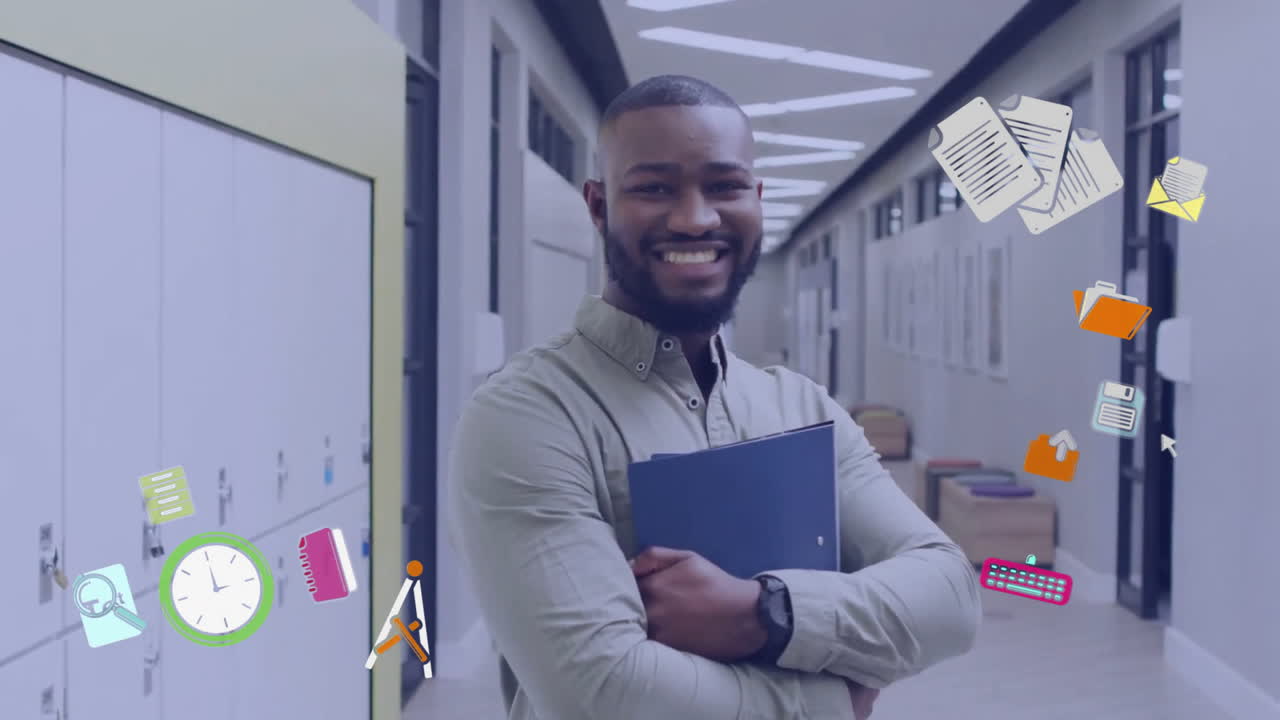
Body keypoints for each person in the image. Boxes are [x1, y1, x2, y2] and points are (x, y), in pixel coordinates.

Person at [448, 74, 981, 720]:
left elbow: (950, 596)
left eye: (725, 186)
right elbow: (601, 690)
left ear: (757, 199)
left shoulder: (804, 408)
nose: (695, 217)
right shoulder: (529, 414)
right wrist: (831, 702)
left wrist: (765, 613)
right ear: (599, 206)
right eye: (653, 187)